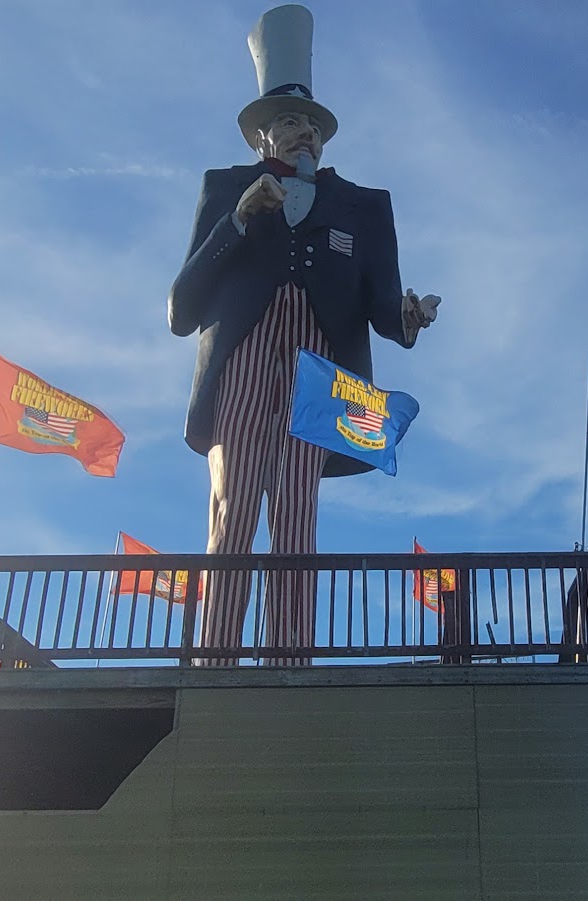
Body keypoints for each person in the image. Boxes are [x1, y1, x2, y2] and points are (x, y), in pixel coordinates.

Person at [169, 5, 438, 665]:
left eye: (312, 125)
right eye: (289, 122)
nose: (304, 134)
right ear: (262, 135)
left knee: (297, 515)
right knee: (232, 507)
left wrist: (406, 319)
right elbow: (182, 307)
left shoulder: (364, 206)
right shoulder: (226, 189)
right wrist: (237, 221)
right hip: (245, 359)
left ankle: (290, 659)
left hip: (318, 372)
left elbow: (381, 304)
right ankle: (215, 661)